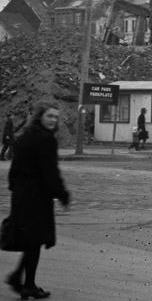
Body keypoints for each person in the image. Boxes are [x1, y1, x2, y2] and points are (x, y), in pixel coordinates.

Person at [6, 100, 70, 299]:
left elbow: (13, 169)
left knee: (31, 240)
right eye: (49, 116)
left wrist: (15, 189)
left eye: (56, 117)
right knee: (35, 240)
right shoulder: (46, 139)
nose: (53, 120)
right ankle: (27, 284)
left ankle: (20, 279)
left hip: (21, 194)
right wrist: (62, 193)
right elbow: (50, 171)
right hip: (37, 196)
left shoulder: (24, 137)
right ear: (40, 116)